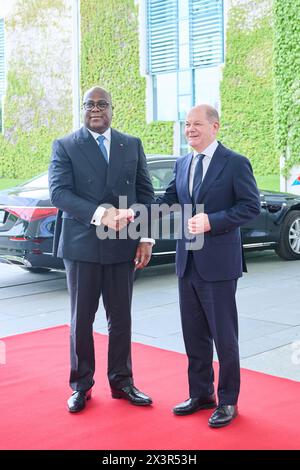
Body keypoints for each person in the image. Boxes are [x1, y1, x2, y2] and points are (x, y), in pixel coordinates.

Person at [148, 104, 260, 427]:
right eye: (186, 124)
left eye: (196, 124)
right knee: (194, 334)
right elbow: (169, 200)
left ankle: (228, 401)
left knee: (224, 337)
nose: (189, 130)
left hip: (219, 265)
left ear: (215, 127)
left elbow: (251, 207)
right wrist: (135, 214)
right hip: (188, 261)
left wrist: (213, 221)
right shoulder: (183, 163)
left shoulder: (235, 163)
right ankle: (201, 394)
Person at [48, 86, 155, 413]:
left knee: (121, 318)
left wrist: (145, 237)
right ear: (83, 109)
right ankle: (81, 385)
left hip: (123, 245)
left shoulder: (131, 144)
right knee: (82, 320)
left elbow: (145, 194)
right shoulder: (66, 145)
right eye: (89, 104)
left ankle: (122, 382)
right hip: (82, 246)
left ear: (112, 108)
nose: (96, 109)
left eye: (102, 104)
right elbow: (59, 193)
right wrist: (101, 215)